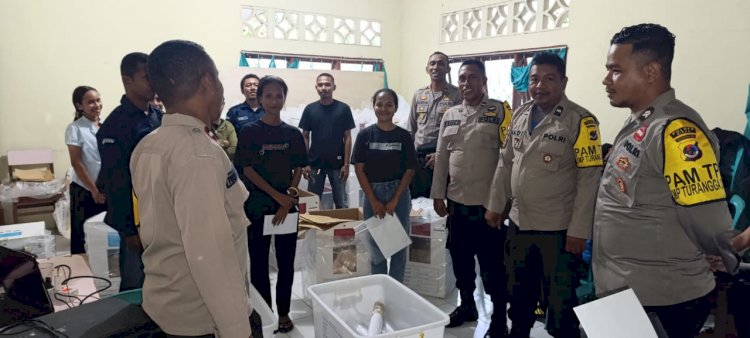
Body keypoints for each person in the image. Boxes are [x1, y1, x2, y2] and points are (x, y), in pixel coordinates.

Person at [594, 23, 739, 338]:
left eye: (615, 71)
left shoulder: (676, 131)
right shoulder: (640, 121)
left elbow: (710, 221)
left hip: (658, 296)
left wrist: (726, 257)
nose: (606, 80)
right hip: (621, 287)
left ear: (650, 71)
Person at [130, 39, 262, 338]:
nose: (221, 88)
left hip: (166, 306)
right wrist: (237, 330)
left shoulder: (149, 145)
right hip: (202, 318)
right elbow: (211, 256)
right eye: (217, 78)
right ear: (207, 82)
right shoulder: (198, 153)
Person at [485, 52, 602, 338]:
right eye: (534, 79)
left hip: (558, 230)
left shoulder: (581, 121)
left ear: (563, 81)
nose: (540, 86)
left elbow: (589, 180)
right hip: (519, 224)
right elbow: (506, 161)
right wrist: (494, 205)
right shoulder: (522, 114)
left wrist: (578, 231)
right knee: (519, 293)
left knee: (561, 302)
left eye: (549, 79)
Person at [432, 60, 511, 337]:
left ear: (484, 80)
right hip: (457, 203)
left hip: (488, 207)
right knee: (461, 261)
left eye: (472, 78)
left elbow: (508, 159)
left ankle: (499, 319)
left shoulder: (500, 111)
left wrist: (501, 204)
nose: (466, 84)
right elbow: (441, 156)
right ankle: (467, 306)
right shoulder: (450, 113)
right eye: (462, 78)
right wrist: (437, 194)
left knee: (493, 266)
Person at [235, 75, 308, 334]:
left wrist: (287, 198)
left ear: (284, 98)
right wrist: (278, 199)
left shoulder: (293, 133)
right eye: (269, 96)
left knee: (287, 262)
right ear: (261, 98)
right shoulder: (250, 132)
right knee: (258, 263)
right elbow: (247, 169)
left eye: (279, 95)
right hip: (258, 206)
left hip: (287, 207)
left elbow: (299, 166)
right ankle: (264, 313)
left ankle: (285, 313)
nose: (274, 101)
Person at [97, 52, 162, 292]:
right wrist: (129, 230)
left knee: (161, 280)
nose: (153, 83)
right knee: (136, 285)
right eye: (147, 77)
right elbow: (116, 182)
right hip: (136, 220)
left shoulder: (157, 117)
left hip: (160, 212)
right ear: (127, 80)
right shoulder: (116, 125)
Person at [351, 88, 417, 282]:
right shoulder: (365, 135)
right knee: (376, 246)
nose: (384, 109)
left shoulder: (404, 136)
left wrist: (396, 199)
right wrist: (374, 200)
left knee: (398, 246)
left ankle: (395, 289)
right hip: (373, 192)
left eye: (389, 104)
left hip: (399, 192)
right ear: (374, 106)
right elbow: (359, 169)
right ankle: (379, 287)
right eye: (380, 104)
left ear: (395, 108)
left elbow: (410, 169)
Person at [408, 52, 462, 198]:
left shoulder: (457, 95)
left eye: (440, 63)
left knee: (439, 203)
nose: (436, 67)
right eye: (432, 63)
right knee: (417, 203)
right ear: (427, 69)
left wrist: (441, 155)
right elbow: (411, 128)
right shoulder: (419, 94)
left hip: (441, 158)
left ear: (448, 69)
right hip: (418, 158)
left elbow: (459, 133)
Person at [299, 73, 355, 209]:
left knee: (341, 203)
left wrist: (346, 164)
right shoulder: (310, 109)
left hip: (338, 166)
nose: (324, 87)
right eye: (320, 84)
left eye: (327, 84)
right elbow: (305, 136)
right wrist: (304, 163)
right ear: (316, 87)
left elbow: (347, 136)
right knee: (312, 204)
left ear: (334, 87)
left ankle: (341, 229)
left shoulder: (343, 109)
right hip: (315, 165)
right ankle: (313, 230)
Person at [65, 86, 108, 254]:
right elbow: (77, 163)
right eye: (90, 102)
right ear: (79, 106)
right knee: (82, 234)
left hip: (104, 189)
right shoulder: (75, 128)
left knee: (103, 232)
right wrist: (94, 191)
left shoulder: (105, 127)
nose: (96, 105)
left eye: (98, 100)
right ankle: (80, 271)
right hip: (85, 190)